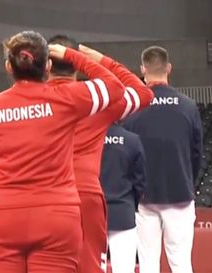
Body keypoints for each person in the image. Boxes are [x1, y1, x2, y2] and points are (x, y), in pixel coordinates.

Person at [0, 32, 126, 273]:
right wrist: (74, 57)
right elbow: (116, 87)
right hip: (58, 219)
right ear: (48, 65)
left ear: (9, 67)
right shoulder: (67, 98)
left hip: (7, 219)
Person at [46, 36, 153, 273]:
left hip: (44, 196)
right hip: (85, 196)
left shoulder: (32, 100)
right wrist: (101, 61)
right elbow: (143, 94)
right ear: (77, 62)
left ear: (47, 65)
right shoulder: (97, 101)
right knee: (90, 266)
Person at [123, 46, 202, 273]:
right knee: (181, 263)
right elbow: (196, 152)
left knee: (148, 263)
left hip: (144, 196)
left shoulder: (134, 107)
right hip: (179, 192)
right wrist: (188, 181)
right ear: (169, 68)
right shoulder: (188, 106)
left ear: (142, 70)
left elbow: (127, 153)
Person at [101, 124, 146, 273]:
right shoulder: (132, 140)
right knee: (124, 269)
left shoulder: (88, 138)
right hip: (123, 211)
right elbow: (140, 180)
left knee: (93, 268)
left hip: (95, 213)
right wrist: (133, 202)